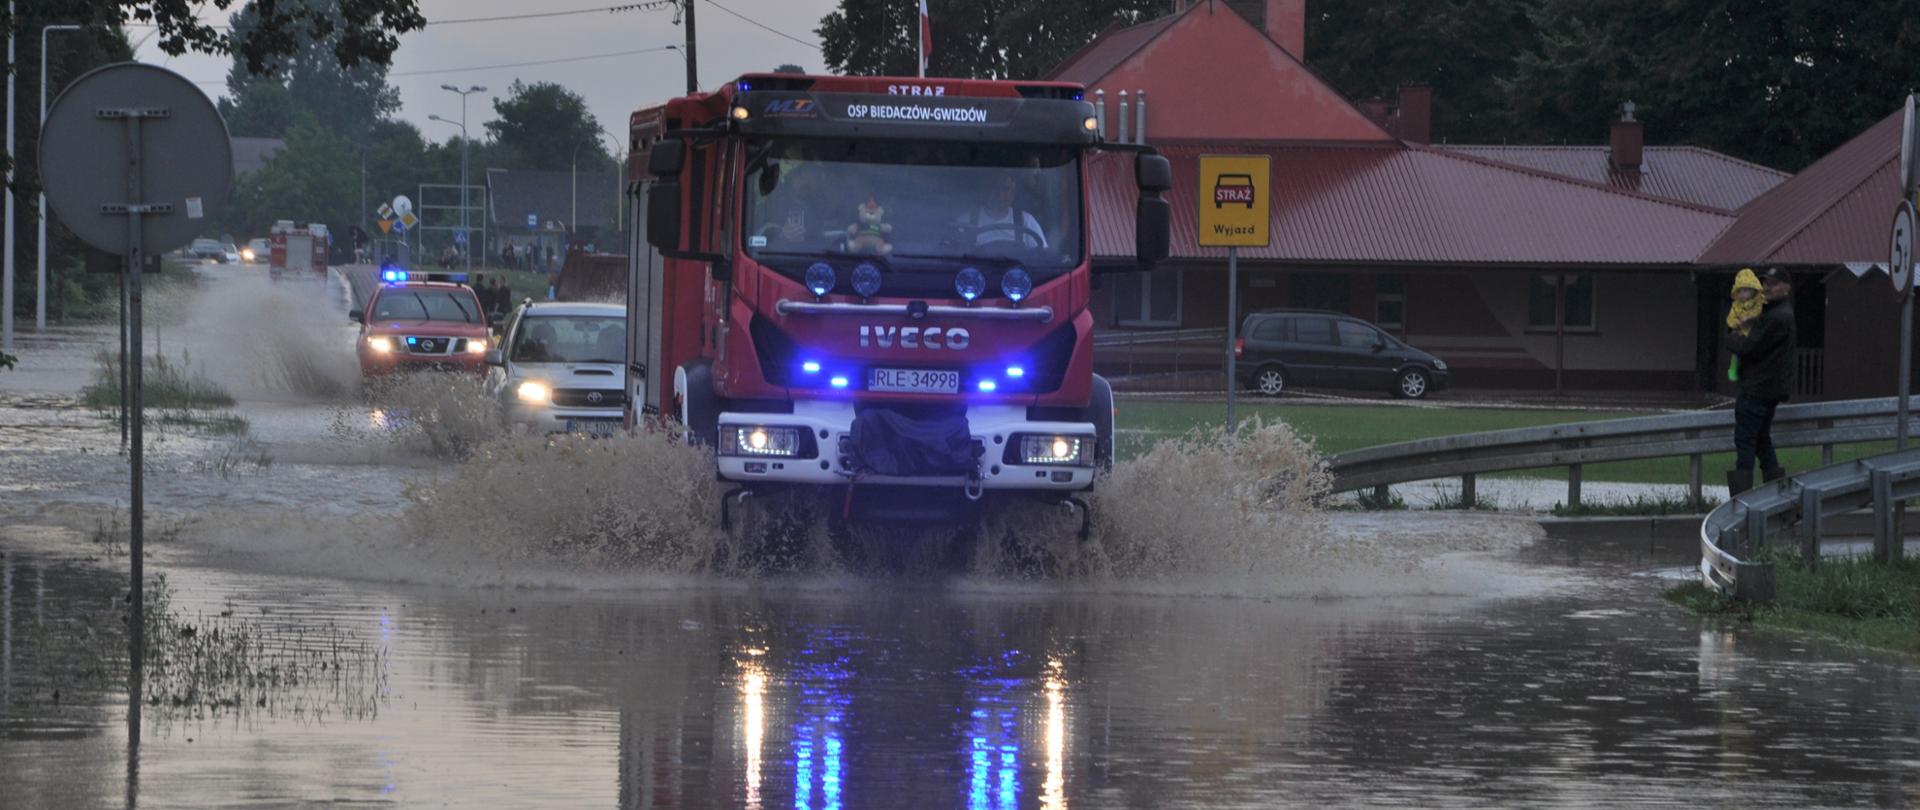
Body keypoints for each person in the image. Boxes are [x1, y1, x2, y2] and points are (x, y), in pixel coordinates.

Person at [1723, 266, 1796, 495]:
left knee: (1745, 441)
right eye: (1765, 283)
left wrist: (1730, 336)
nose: (1767, 288)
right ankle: (1777, 495)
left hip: (1756, 389)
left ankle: (1741, 499)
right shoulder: (1777, 313)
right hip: (1769, 390)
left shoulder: (1776, 317)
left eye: (1773, 284)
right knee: (1762, 440)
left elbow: (1749, 347)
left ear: (1786, 288)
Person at [963, 172, 1046, 249]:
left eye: (1005, 189)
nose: (999, 194)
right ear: (986, 191)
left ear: (1013, 193)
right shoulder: (968, 220)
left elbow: (1042, 256)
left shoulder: (1026, 220)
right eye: (994, 188)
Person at [1724, 268, 1763, 382]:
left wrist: (1750, 319)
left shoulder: (1759, 302)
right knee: (1737, 354)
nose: (1743, 294)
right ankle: (1733, 369)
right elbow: (1731, 319)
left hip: (1755, 334)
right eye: (1740, 291)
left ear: (1753, 290)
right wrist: (1736, 323)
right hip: (1740, 334)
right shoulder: (1736, 305)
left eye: (1746, 290)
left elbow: (1762, 316)